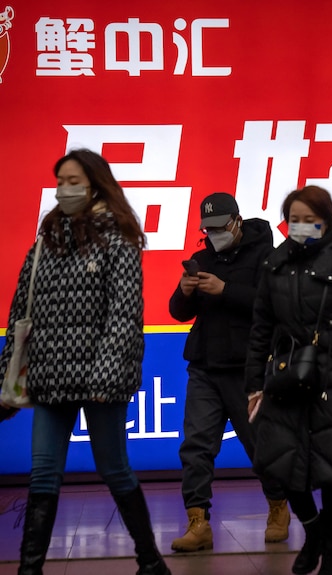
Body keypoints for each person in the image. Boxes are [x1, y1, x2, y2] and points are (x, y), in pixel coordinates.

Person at [0, 149, 171, 575]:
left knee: (114, 470)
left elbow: (124, 313)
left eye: (73, 180)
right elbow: (21, 312)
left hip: (100, 379)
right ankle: (29, 569)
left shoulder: (120, 238)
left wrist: (108, 373)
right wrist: (7, 374)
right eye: (60, 181)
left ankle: (150, 561)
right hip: (49, 375)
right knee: (42, 475)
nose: (64, 189)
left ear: (95, 184)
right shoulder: (46, 239)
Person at [245, 185, 332, 575]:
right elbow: (260, 327)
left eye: (310, 219)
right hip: (287, 377)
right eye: (295, 220)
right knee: (279, 464)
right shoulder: (275, 262)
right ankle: (314, 530)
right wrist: (254, 381)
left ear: (327, 220)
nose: (302, 227)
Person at [167, 193, 288, 551]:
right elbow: (177, 312)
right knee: (196, 446)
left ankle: (278, 506)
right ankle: (197, 521)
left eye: (220, 227)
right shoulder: (203, 257)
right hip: (204, 365)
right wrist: (185, 292)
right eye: (207, 229)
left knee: (260, 446)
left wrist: (226, 290)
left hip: (248, 369)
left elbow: (276, 305)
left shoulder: (266, 256)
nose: (213, 234)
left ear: (236, 221)